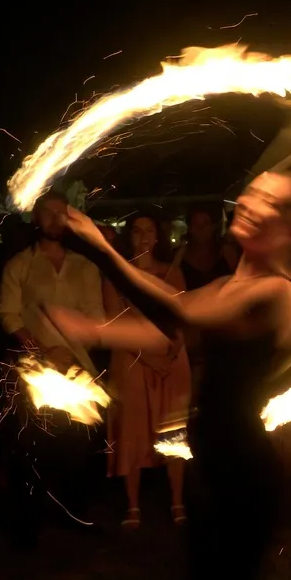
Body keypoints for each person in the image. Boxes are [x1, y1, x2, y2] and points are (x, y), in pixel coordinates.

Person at [48, 171, 291, 580]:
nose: (247, 200)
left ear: (289, 229)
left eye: (266, 200)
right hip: (213, 461)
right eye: (251, 190)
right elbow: (176, 318)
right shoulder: (229, 287)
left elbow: (178, 310)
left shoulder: (279, 294)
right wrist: (95, 331)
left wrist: (103, 250)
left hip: (242, 471)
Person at [0, 190, 105, 547]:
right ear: (36, 219)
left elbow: (96, 318)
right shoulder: (20, 265)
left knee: (77, 447)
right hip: (36, 373)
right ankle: (28, 521)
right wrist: (42, 350)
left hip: (77, 370)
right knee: (33, 446)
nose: (56, 219)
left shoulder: (85, 267)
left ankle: (74, 512)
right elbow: (8, 313)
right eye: (49, 212)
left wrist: (74, 351)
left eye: (63, 213)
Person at [105, 212, 191, 527]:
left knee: (172, 431)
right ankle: (132, 505)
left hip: (170, 360)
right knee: (131, 430)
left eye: (149, 230)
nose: (143, 236)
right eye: (137, 230)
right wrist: (147, 357)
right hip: (131, 360)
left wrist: (171, 354)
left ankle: (177, 501)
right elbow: (115, 323)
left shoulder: (173, 273)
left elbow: (182, 319)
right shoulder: (115, 275)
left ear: (157, 236)